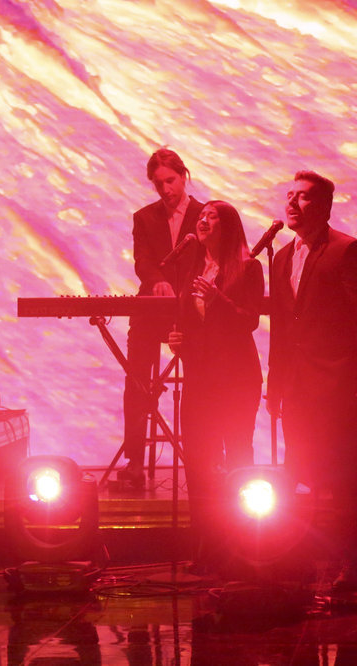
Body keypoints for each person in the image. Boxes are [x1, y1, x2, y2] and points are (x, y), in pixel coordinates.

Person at [267, 170, 357, 588]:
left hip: (337, 385)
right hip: (297, 387)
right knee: (301, 473)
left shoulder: (345, 250)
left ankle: (350, 564)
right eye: (290, 195)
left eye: (302, 197)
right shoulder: (282, 257)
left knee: (343, 477)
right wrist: (275, 382)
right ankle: (297, 561)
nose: (292, 203)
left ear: (323, 207)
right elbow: (282, 326)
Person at [167, 200, 263, 570]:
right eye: (201, 215)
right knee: (198, 461)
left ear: (229, 226)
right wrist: (178, 340)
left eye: (212, 216)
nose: (203, 220)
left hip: (236, 379)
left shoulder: (248, 267)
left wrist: (216, 298)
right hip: (199, 378)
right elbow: (192, 324)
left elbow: (249, 320)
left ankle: (243, 547)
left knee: (236, 458)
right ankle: (207, 549)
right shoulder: (192, 267)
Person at [119, 148, 205, 488]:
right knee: (136, 379)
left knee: (206, 376)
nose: (166, 189)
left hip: (192, 309)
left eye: (170, 181)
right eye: (158, 184)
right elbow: (142, 261)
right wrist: (156, 281)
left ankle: (205, 456)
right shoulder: (144, 217)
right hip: (152, 310)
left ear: (184, 176)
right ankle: (135, 462)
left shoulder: (204, 215)